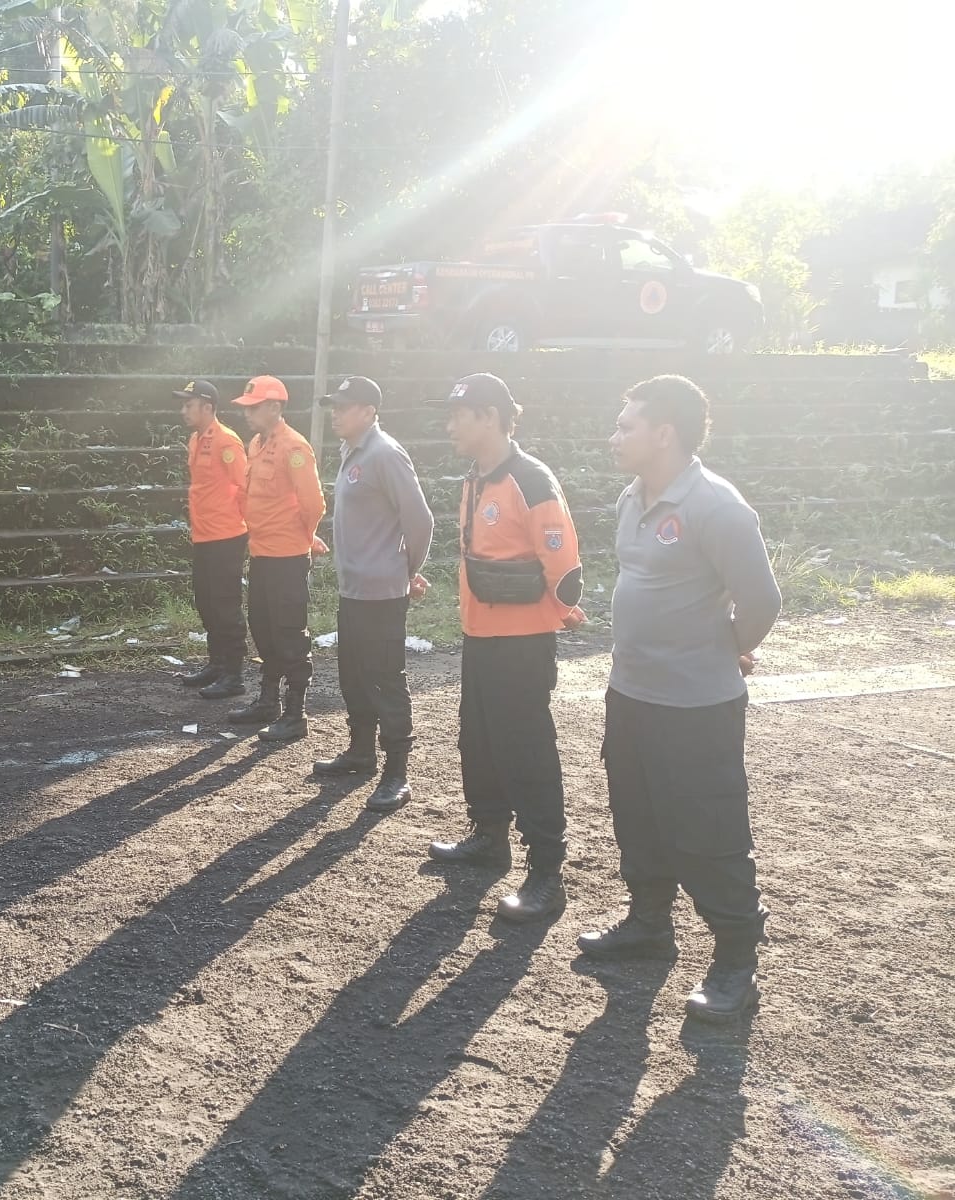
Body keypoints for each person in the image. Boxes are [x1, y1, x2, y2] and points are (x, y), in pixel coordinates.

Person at [579, 374, 781, 1023]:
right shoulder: (630, 497)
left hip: (696, 709)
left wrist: (724, 648)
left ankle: (735, 964)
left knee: (708, 832)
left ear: (663, 433)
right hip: (631, 695)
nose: (613, 437)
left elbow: (761, 600)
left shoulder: (717, 506)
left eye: (625, 426)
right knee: (636, 815)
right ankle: (648, 924)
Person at [427, 373, 585, 923]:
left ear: (489, 417)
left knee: (526, 751)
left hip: (521, 644)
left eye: (458, 415)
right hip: (480, 636)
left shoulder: (531, 479)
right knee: (479, 740)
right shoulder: (475, 478)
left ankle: (547, 873)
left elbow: (564, 564)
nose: (449, 425)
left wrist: (561, 612)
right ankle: (489, 835)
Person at [311, 377, 435, 813]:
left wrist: (406, 571)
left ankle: (397, 773)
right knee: (354, 675)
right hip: (354, 590)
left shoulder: (385, 453)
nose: (335, 413)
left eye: (343, 407)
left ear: (368, 411)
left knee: (385, 678)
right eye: (334, 406)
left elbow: (420, 521)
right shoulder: (352, 451)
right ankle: (361, 751)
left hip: (381, 593)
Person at [226, 375, 327, 742]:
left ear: (274, 407)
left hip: (287, 558)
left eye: (253, 407)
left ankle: (296, 714)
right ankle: (268, 701)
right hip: (261, 554)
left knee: (289, 634)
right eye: (246, 407)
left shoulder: (294, 447)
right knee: (263, 629)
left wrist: (304, 537)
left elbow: (314, 504)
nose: (247, 413)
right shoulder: (256, 443)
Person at [172, 379, 250, 699]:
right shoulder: (195, 439)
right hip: (203, 535)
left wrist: (251, 528)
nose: (183, 410)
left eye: (189, 404)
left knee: (225, 605)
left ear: (207, 407)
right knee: (205, 601)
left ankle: (234, 674)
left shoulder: (226, 441)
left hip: (227, 536)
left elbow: (244, 487)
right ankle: (217, 664)